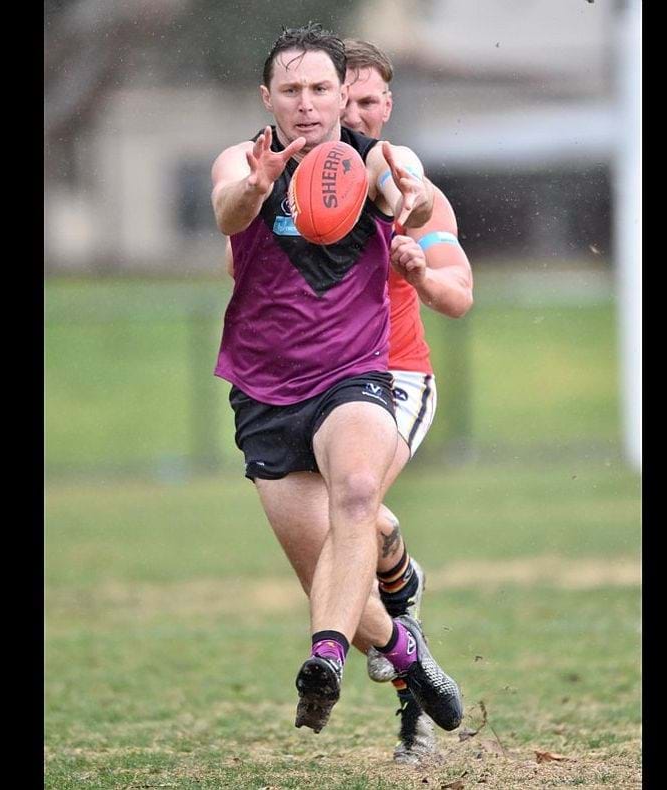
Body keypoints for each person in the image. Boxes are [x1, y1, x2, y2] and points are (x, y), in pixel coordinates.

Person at [209, 23, 462, 735]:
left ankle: (323, 660)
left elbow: (401, 198)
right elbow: (226, 208)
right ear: (268, 96)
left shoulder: (376, 158)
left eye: (322, 88)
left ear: (339, 94)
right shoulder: (240, 159)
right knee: (334, 587)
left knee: (356, 494)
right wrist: (254, 191)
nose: (309, 103)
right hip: (263, 391)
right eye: (292, 89)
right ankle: (400, 646)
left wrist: (409, 204)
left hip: (353, 376)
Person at [341, 37, 474, 762]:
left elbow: (458, 298)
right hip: (316, 382)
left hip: (395, 377)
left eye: (369, 101)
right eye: (344, 100)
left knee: (345, 522)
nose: (355, 115)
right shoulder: (301, 185)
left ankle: (411, 713)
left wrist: (420, 273)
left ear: (386, 105)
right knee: (355, 532)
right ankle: (401, 584)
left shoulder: (413, 187)